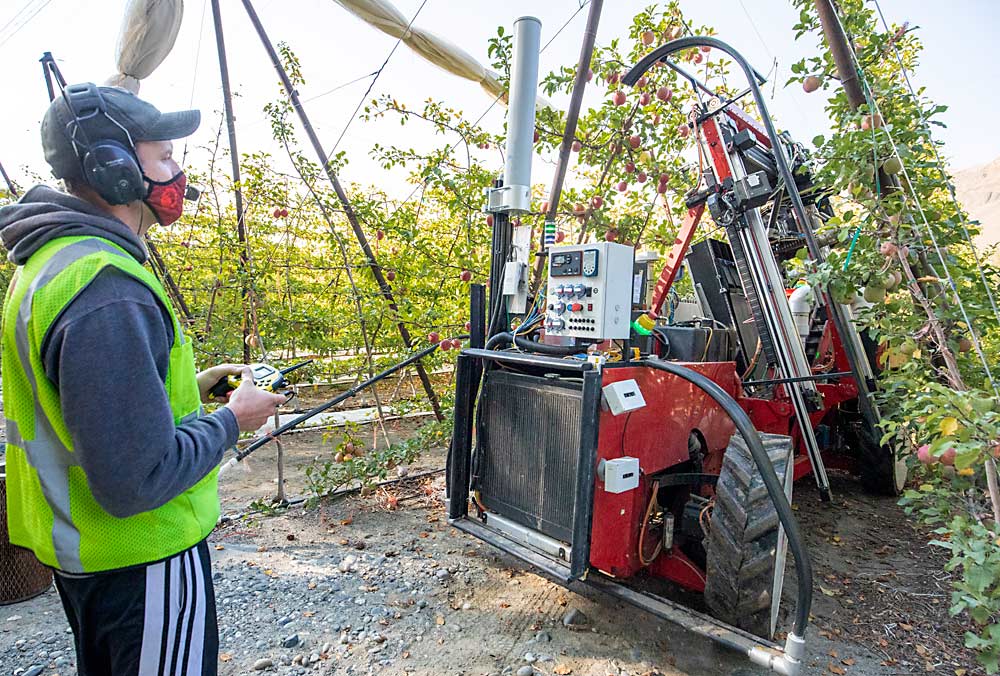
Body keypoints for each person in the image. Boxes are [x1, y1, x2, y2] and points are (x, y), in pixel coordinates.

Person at [0, 83, 285, 675]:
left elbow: (85, 404)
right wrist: (234, 419)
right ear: (115, 169)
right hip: (144, 557)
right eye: (164, 156)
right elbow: (137, 479)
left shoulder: (53, 263)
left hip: (92, 557)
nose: (179, 172)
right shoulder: (106, 288)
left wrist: (196, 385)